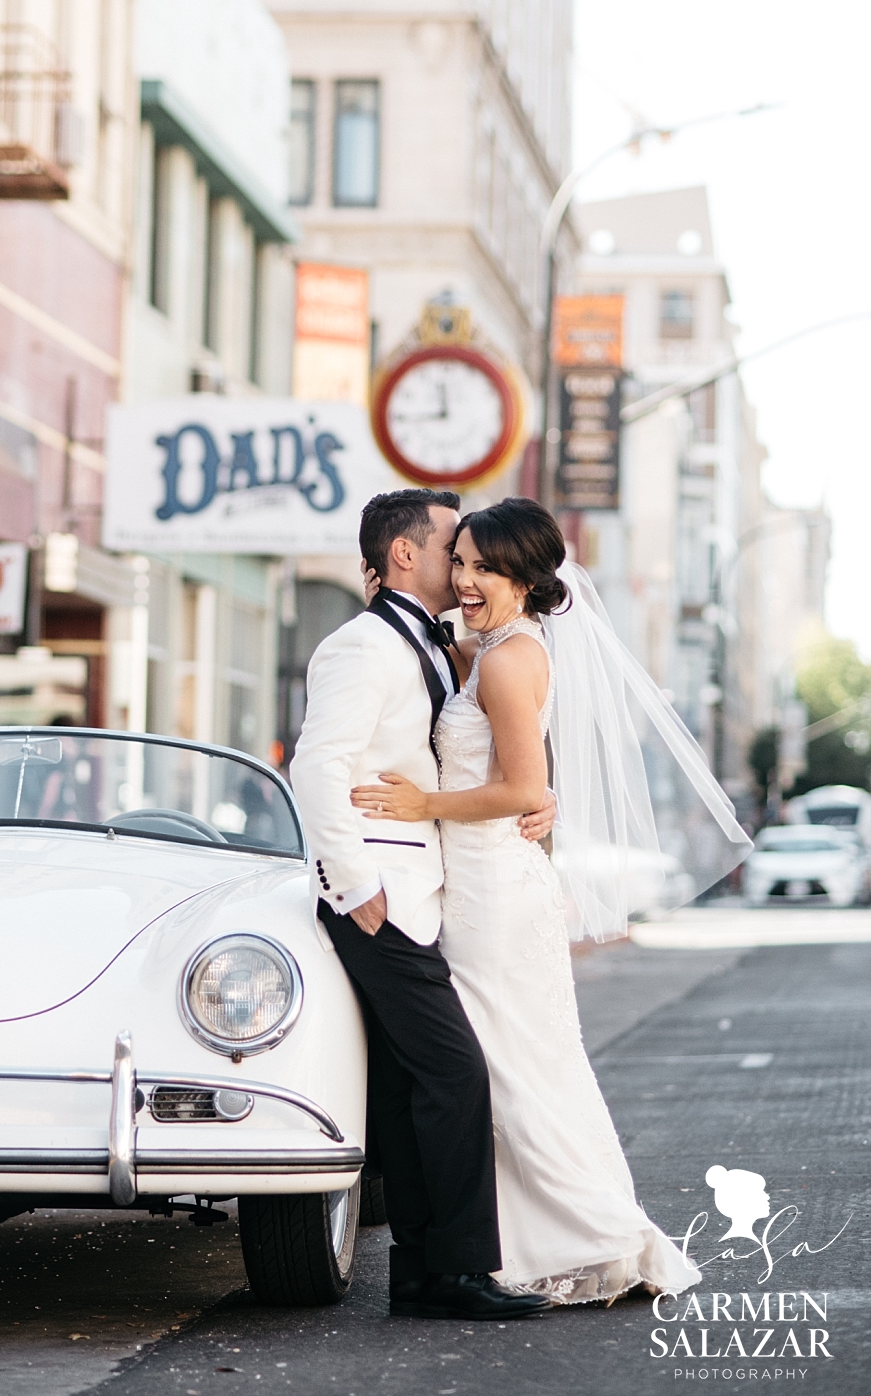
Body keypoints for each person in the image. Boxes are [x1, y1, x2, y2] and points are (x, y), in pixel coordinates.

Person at [354, 497, 749, 1303]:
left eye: (484, 568)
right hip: (480, 879)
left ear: (527, 579)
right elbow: (527, 774)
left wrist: (426, 805)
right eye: (458, 560)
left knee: (506, 1070)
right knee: (513, 1067)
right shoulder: (492, 646)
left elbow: (519, 785)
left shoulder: (504, 658)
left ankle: (579, 1232)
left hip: (492, 894)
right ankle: (521, 1242)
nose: (464, 578)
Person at [289, 489, 557, 1321]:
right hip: (380, 896)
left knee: (410, 1085)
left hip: (429, 890)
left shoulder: (446, 646)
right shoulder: (363, 646)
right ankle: (461, 1268)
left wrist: (535, 799)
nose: (464, 562)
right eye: (453, 546)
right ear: (405, 554)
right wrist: (356, 887)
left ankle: (418, 1271)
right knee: (454, 1071)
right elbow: (317, 766)